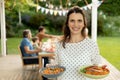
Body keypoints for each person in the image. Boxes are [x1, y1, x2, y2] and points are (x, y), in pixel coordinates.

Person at [54, 6, 101, 80]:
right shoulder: (59, 45)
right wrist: (50, 67)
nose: (76, 24)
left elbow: (96, 68)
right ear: (67, 23)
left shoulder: (92, 44)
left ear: (83, 24)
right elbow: (56, 68)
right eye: (72, 20)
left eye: (79, 21)